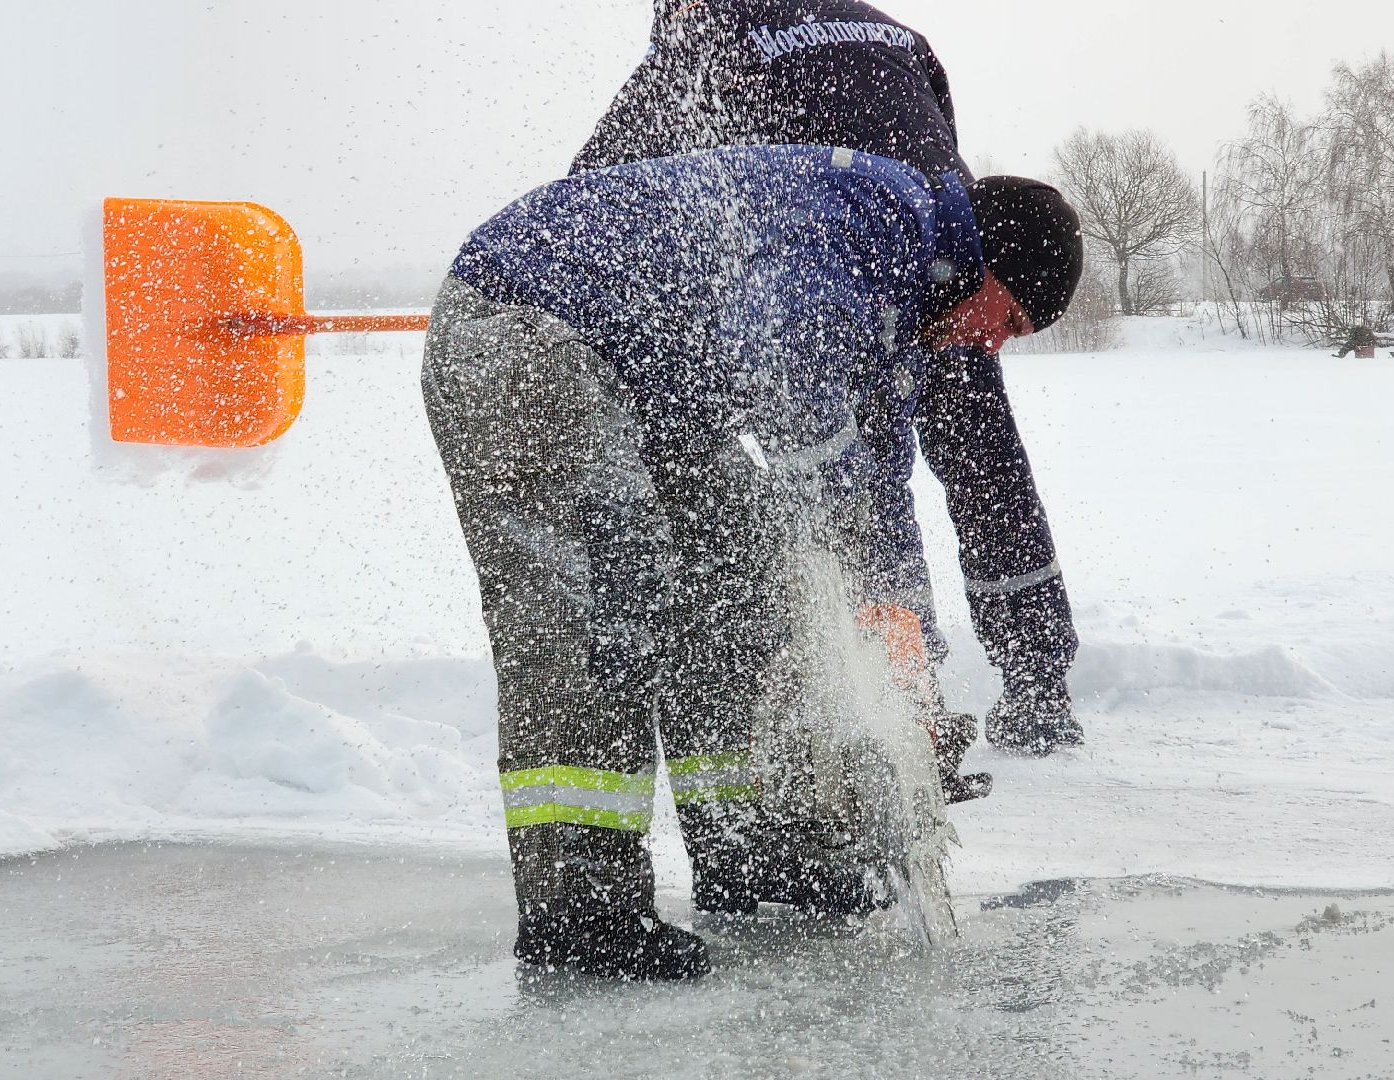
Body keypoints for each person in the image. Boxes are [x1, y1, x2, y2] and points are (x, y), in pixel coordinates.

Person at [421, 144, 1083, 980]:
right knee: (601, 596)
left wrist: (898, 643)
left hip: (644, 375)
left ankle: (749, 846)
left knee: (741, 567)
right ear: (991, 265)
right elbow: (798, 388)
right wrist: (870, 605)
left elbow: (876, 479)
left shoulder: (903, 291)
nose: (994, 344)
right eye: (1011, 320)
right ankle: (579, 908)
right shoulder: (870, 220)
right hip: (523, 328)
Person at [574, 0, 1085, 761]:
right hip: (894, 252)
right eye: (1012, 326)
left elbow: (594, 188)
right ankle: (976, 689)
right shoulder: (884, 32)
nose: (1000, 345)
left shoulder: (713, 27)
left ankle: (923, 692)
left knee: (886, 464)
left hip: (883, 254)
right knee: (925, 464)